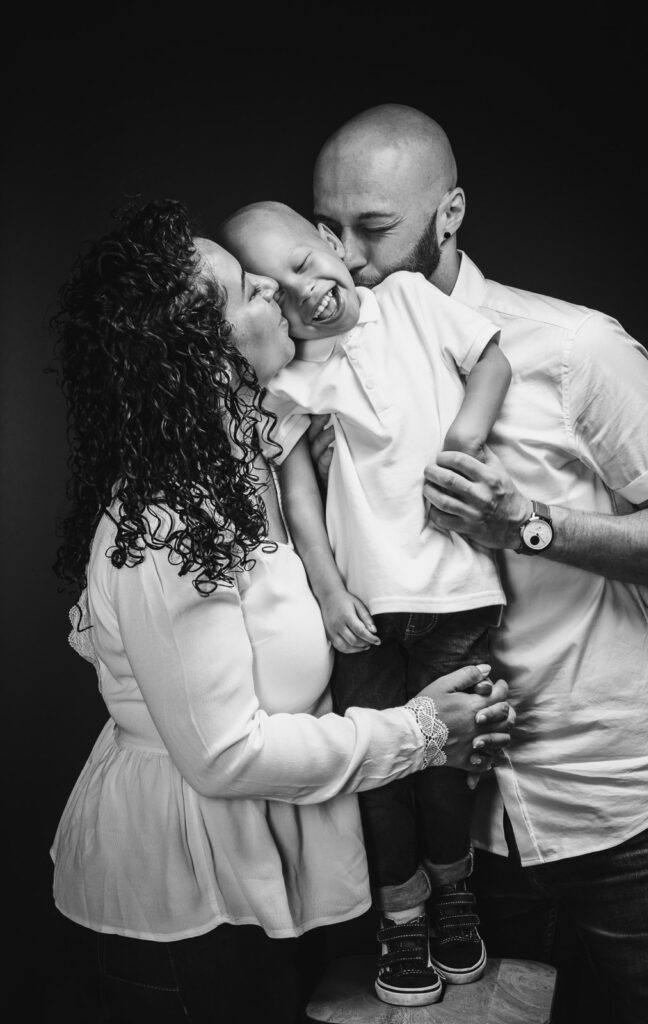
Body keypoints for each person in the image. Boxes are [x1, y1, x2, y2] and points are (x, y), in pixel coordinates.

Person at [48, 198, 515, 1024]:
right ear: (205, 355)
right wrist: (425, 728)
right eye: (246, 290)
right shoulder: (165, 526)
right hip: (183, 898)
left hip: (266, 870)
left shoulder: (257, 466)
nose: (272, 287)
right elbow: (226, 755)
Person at [308, 104, 648, 1024]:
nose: (346, 256)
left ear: (450, 214)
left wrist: (534, 526)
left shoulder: (571, 347)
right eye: (328, 227)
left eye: (373, 227)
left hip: (615, 803)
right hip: (466, 836)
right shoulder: (323, 368)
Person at [220, 200, 511, 1006]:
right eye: (274, 292)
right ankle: (402, 919)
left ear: (330, 245)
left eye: (306, 264)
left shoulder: (413, 302)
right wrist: (326, 582)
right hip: (365, 604)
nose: (304, 292)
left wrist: (466, 439)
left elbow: (490, 361)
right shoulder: (296, 375)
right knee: (380, 777)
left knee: (451, 766)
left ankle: (457, 901)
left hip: (455, 590)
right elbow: (291, 479)